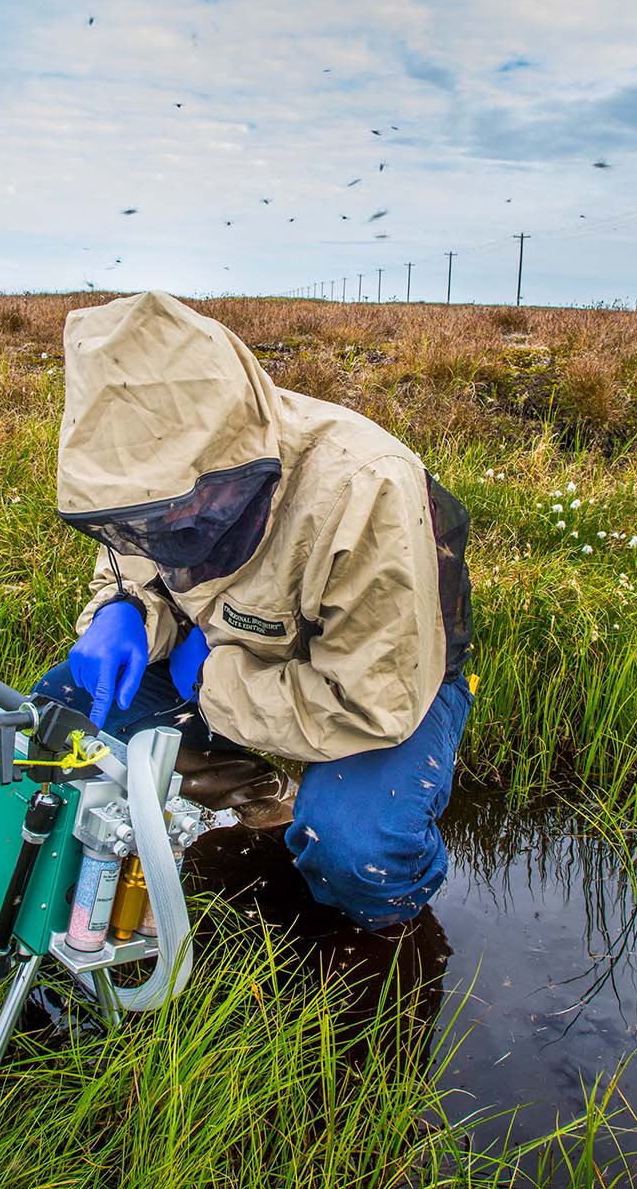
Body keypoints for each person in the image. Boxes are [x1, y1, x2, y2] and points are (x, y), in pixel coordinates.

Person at [33, 290, 473, 931]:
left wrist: (215, 682)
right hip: (220, 653)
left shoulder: (365, 485)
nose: (157, 531)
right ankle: (265, 802)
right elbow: (137, 553)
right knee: (67, 722)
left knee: (358, 853)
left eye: (172, 514)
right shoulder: (147, 471)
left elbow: (371, 700)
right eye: (137, 518)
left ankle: (394, 939)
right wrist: (122, 608)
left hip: (379, 683)